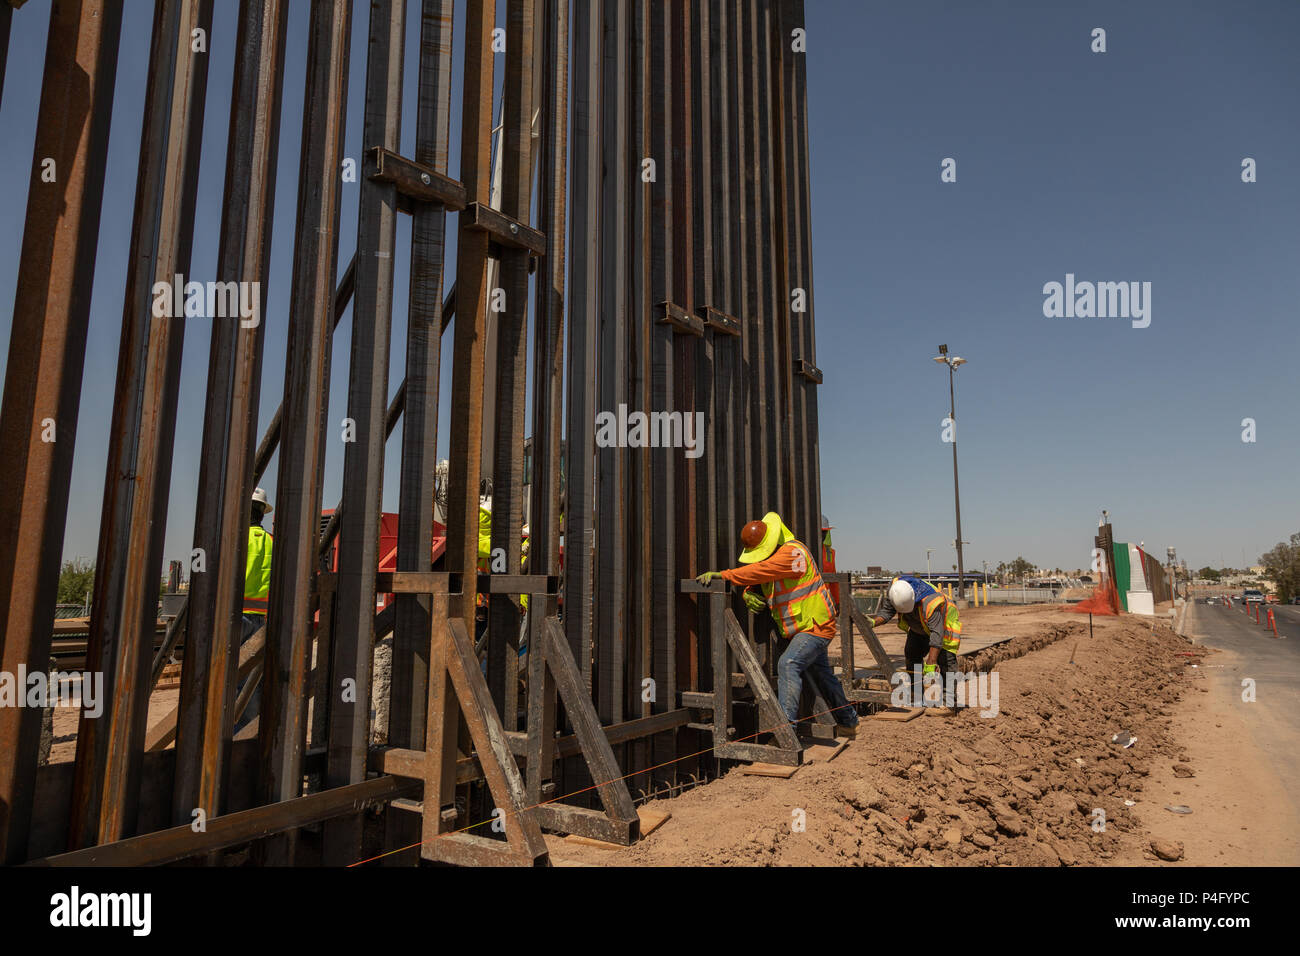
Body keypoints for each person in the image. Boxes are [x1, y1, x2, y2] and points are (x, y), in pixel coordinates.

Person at [696, 512, 859, 739]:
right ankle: (849, 721)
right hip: (805, 628)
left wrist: (725, 576)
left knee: (788, 664)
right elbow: (764, 579)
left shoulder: (793, 553)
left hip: (814, 627)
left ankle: (786, 733)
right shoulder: (776, 559)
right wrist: (747, 593)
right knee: (823, 675)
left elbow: (763, 571)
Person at [868, 574, 963, 712]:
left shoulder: (931, 602)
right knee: (912, 654)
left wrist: (931, 663)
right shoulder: (895, 590)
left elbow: (937, 635)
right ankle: (916, 696)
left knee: (946, 662)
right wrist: (873, 622)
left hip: (943, 628)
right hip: (919, 627)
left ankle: (948, 703)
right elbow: (887, 612)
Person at [234, 487, 273, 733]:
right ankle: (252, 732)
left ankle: (234, 735)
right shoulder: (271, 542)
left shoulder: (236, 540)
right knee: (255, 679)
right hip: (264, 621)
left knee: (232, 677)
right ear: (262, 513)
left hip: (236, 617)